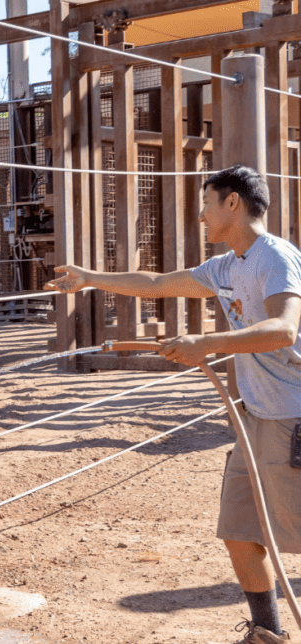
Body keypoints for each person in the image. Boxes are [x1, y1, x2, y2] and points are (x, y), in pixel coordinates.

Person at [46, 165, 301, 644]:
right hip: (255, 417)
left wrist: (207, 344)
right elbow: (158, 282)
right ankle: (267, 634)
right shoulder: (228, 266)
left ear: (232, 203)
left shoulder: (275, 257)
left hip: (292, 415)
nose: (201, 216)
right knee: (239, 529)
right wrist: (89, 278)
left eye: (207, 204)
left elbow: (284, 330)